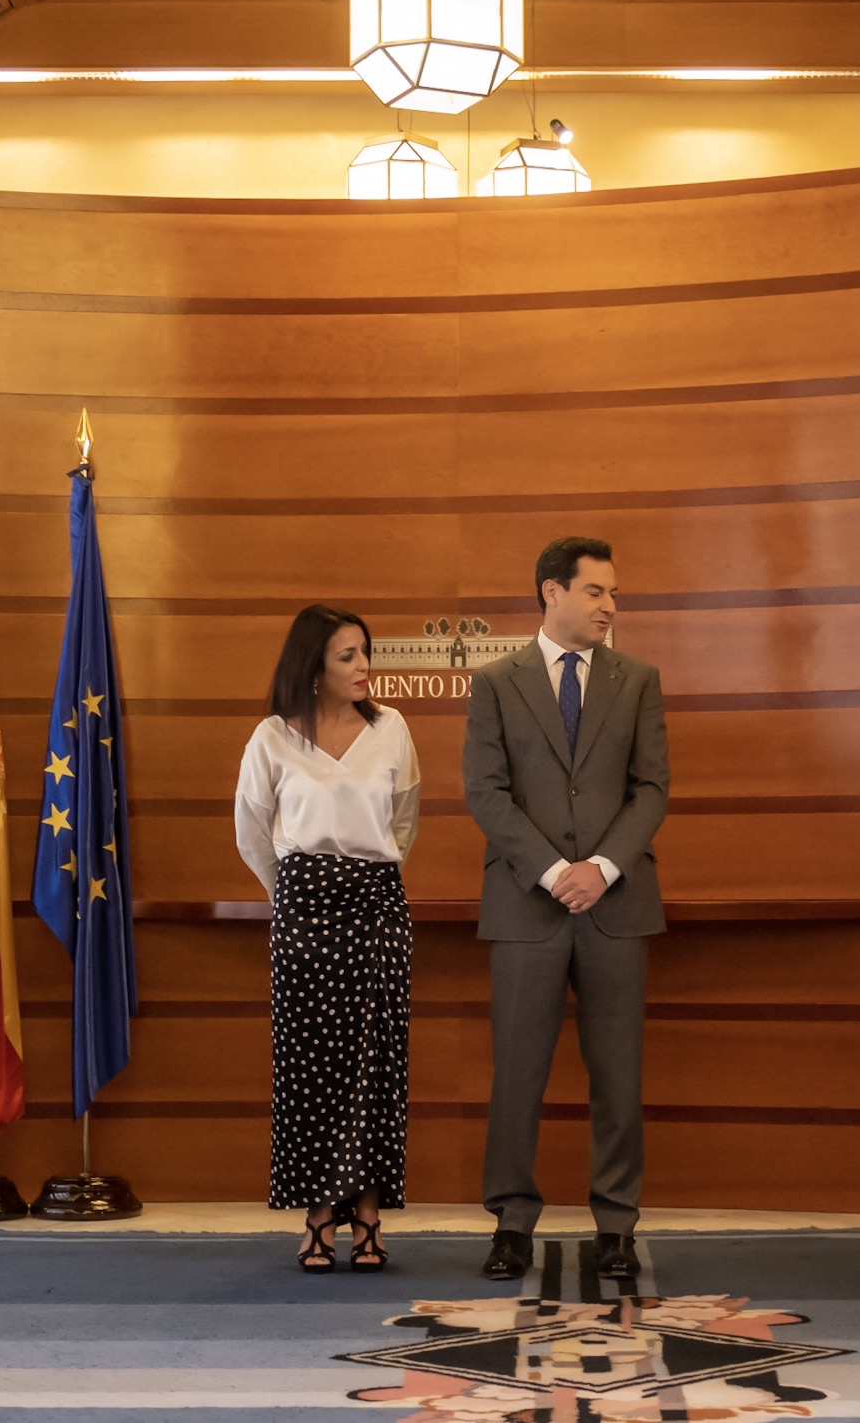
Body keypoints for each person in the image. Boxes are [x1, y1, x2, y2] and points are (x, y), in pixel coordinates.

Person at [463, 537, 670, 1282]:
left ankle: (616, 1224)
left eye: (614, 593)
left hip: (618, 905)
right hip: (527, 906)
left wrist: (602, 868)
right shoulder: (494, 681)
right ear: (552, 591)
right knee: (517, 1072)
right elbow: (485, 792)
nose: (610, 605)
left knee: (618, 1075)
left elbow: (652, 788)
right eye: (596, 591)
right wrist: (556, 872)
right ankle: (511, 1223)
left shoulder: (639, 679)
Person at [235, 604, 420, 1274]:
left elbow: (404, 821)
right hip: (304, 909)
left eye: (365, 652)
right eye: (349, 655)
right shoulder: (272, 738)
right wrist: (292, 891)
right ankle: (318, 1216)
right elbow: (252, 831)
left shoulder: (392, 728)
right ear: (313, 665)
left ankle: (367, 1213)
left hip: (375, 905)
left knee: (374, 1065)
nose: (365, 666)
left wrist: (362, 872)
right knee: (312, 1067)